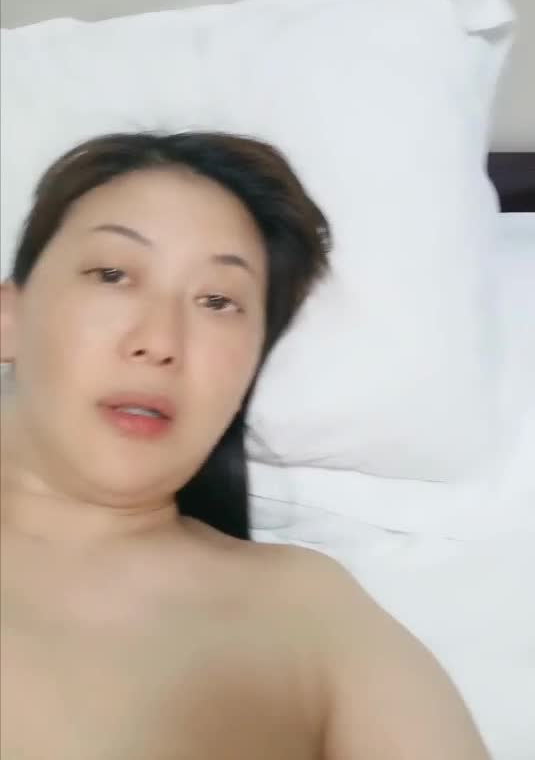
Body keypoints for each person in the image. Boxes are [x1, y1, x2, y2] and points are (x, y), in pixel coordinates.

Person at [0, 131, 490, 760]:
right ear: (9, 317)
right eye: (113, 274)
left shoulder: (307, 616)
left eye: (218, 301)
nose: (161, 341)